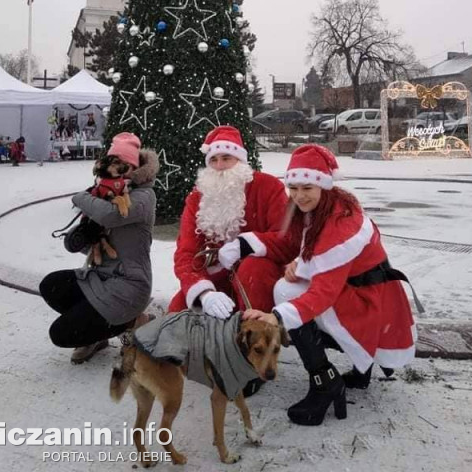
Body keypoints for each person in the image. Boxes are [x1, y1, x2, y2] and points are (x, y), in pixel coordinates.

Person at [220, 144, 416, 426]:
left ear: (323, 185)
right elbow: (290, 243)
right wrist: (245, 244)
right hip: (366, 294)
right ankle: (362, 373)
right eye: (294, 187)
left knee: (286, 293)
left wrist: (276, 315)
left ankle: (324, 381)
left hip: (370, 303)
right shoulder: (321, 209)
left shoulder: (340, 223)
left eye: (307, 187)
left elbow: (324, 291)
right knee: (290, 291)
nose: (299, 196)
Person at [40, 132, 159, 364]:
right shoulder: (102, 195)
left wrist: (81, 197)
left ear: (132, 168)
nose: (115, 166)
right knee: (51, 286)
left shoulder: (145, 196)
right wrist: (80, 238)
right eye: (112, 160)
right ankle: (95, 335)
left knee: (61, 334)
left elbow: (111, 215)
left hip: (129, 286)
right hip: (99, 277)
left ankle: (134, 322)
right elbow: (92, 244)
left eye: (122, 163)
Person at [169, 124, 289, 317]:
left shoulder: (268, 187)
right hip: (215, 277)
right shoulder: (197, 198)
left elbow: (287, 239)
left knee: (253, 269)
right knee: (178, 310)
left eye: (226, 158)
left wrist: (246, 245)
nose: (219, 166)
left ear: (240, 161)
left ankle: (258, 331)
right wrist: (204, 293)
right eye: (213, 160)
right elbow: (186, 252)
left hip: (259, 277)